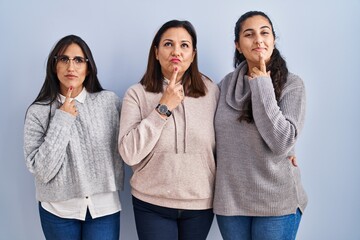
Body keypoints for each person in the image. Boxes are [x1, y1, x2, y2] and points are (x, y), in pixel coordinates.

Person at [118, 20, 219, 240]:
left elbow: (230, 138)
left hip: (200, 203)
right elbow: (128, 152)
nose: (176, 51)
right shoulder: (137, 94)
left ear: (193, 54)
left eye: (184, 45)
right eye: (168, 44)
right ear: (156, 52)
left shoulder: (212, 92)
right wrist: (163, 107)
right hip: (152, 201)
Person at [213, 11, 308, 240]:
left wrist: (263, 84)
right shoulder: (224, 86)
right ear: (238, 45)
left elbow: (281, 142)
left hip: (276, 203)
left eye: (264, 32)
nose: (258, 39)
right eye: (249, 34)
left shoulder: (292, 85)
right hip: (231, 202)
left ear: (273, 40)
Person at [23, 35, 124, 240]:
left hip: (103, 209)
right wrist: (62, 118)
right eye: (64, 59)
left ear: (88, 68)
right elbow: (42, 171)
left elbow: (128, 147)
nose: (71, 66)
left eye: (79, 60)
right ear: (54, 66)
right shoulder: (38, 112)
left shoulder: (109, 102)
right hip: (58, 211)